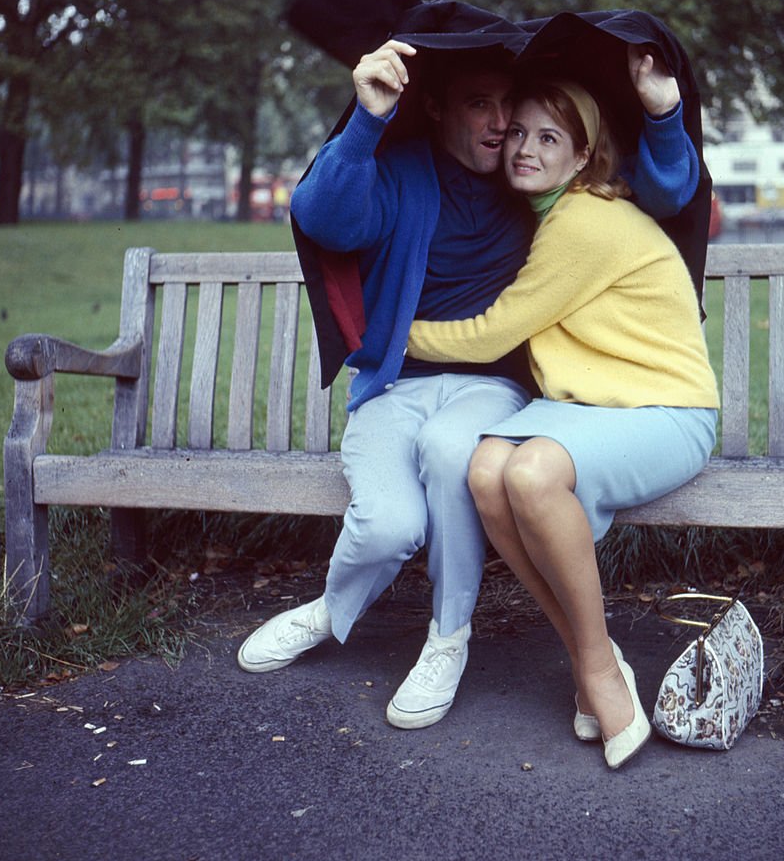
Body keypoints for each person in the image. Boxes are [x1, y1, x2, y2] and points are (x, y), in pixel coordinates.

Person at [236, 37, 699, 733]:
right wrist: (367, 118)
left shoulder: (540, 186)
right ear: (435, 107)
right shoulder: (402, 174)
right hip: (397, 389)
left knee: (461, 454)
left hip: (492, 390)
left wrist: (665, 114)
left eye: (509, 110)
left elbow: (659, 189)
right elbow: (323, 217)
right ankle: (331, 609)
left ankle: (448, 639)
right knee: (389, 523)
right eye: (481, 106)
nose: (502, 128)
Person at [404, 78, 720, 767]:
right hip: (589, 408)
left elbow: (491, 334)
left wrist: (390, 337)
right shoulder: (554, 213)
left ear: (582, 156)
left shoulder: (580, 222)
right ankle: (592, 655)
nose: (522, 148)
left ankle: (600, 671)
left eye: (548, 138)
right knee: (486, 469)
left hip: (664, 409)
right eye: (516, 131)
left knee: (531, 470)